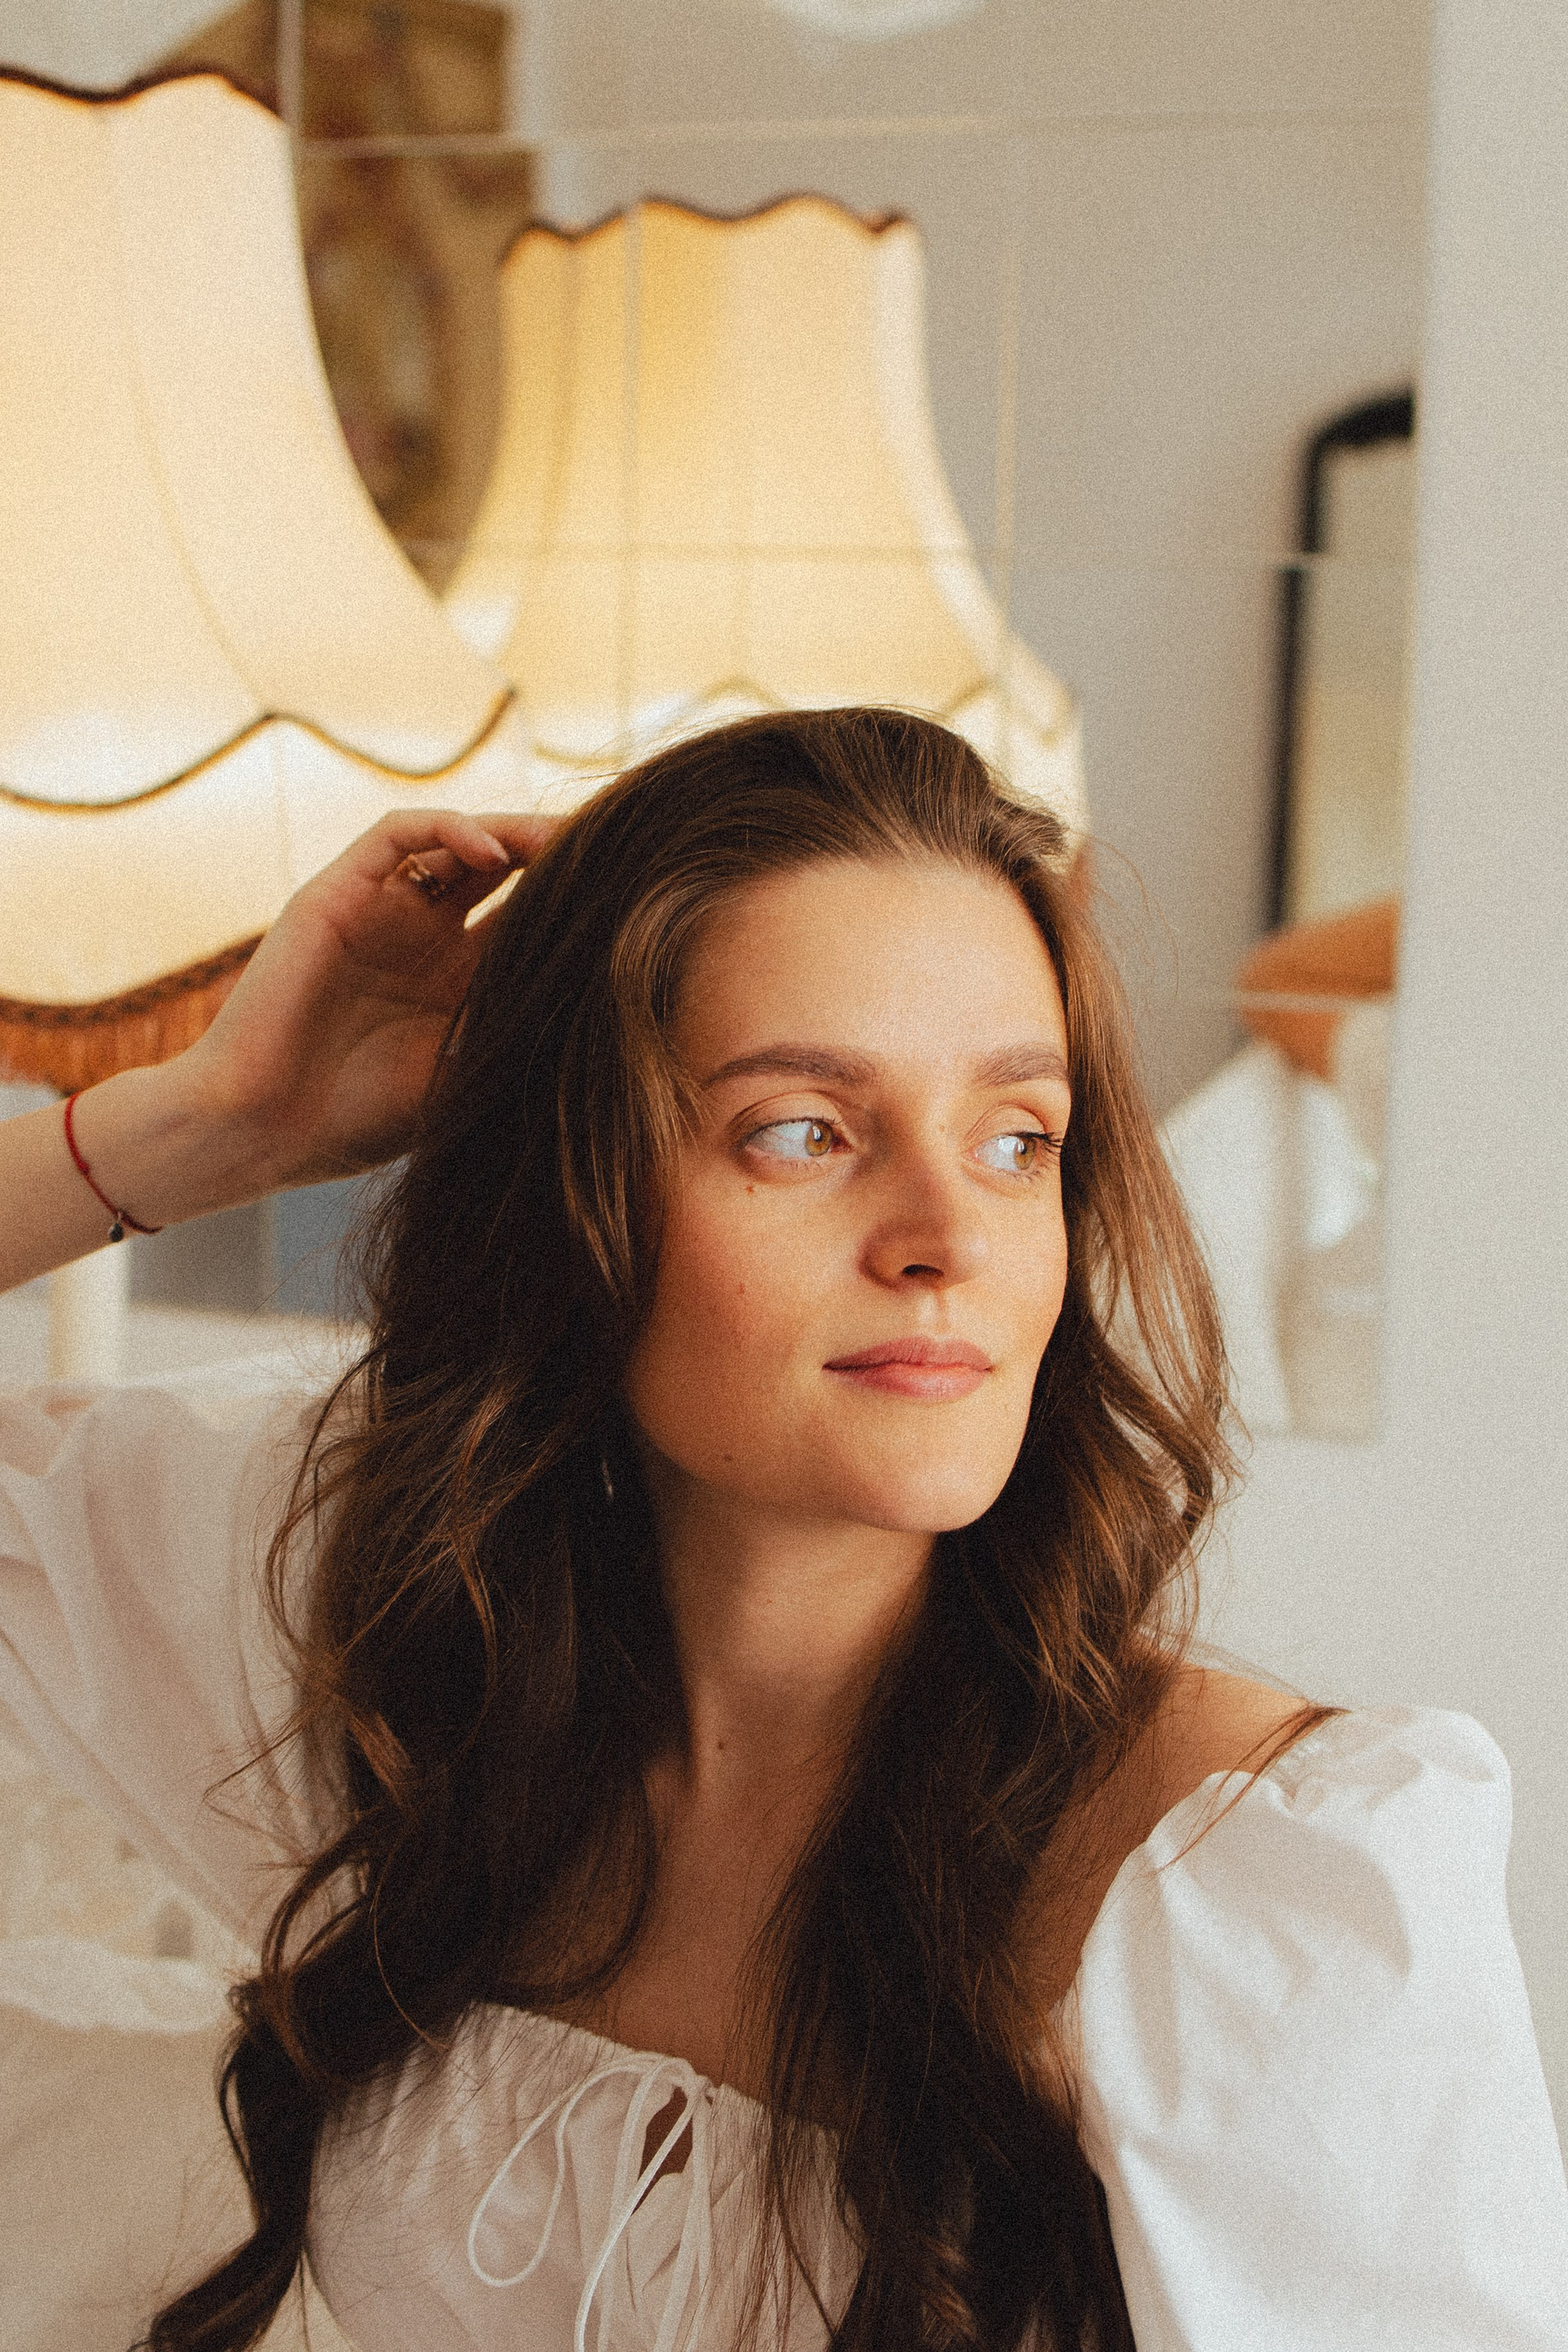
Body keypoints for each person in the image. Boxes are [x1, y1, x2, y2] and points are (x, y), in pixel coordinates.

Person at [0, 708, 1563, 2352]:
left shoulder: (1244, 1886)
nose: (947, 1234)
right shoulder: (373, 1632)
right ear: (571, 1195)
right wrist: (211, 1124)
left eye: (1017, 1139)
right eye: (803, 1130)